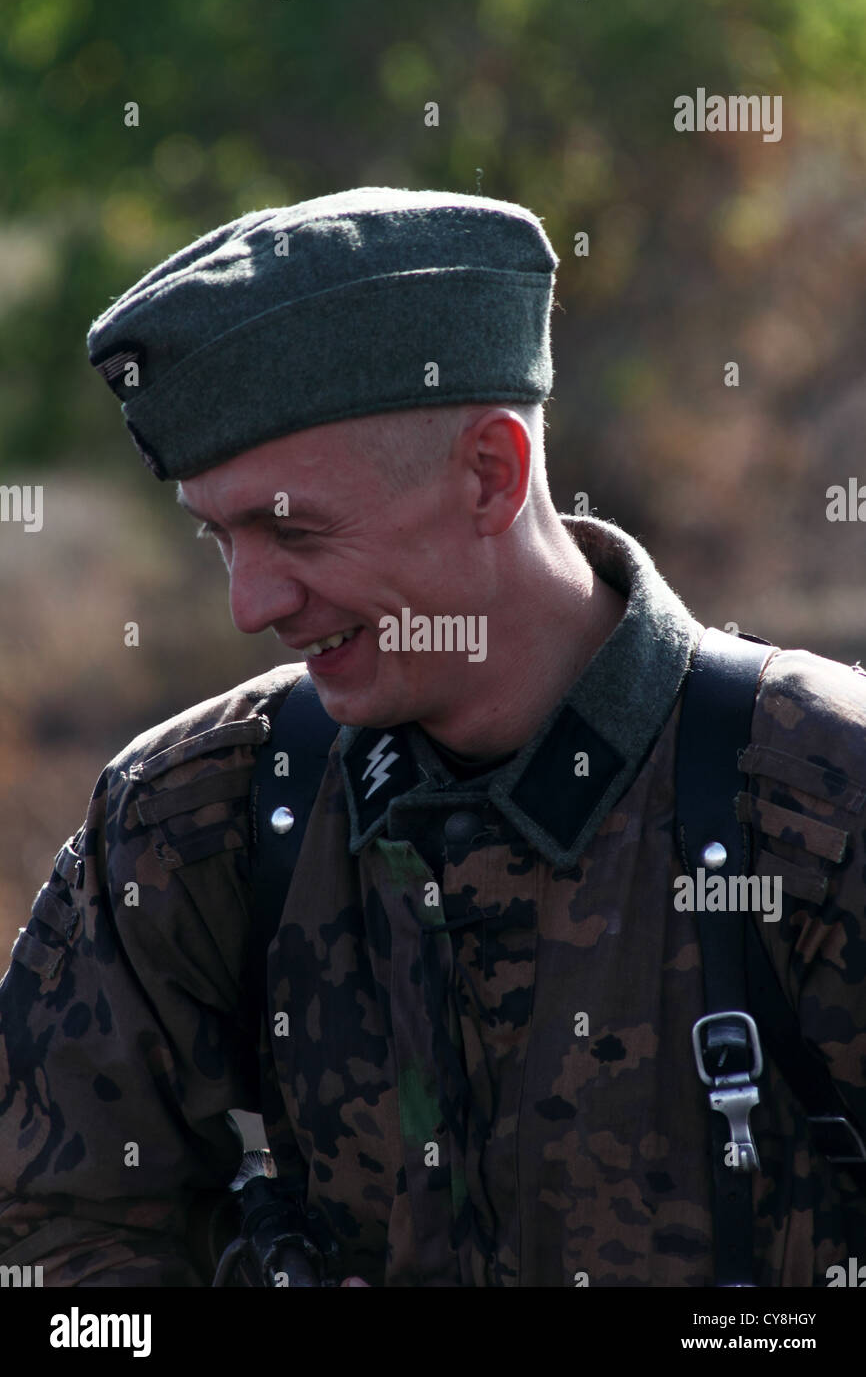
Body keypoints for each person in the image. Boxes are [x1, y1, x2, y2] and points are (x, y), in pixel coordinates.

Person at [1, 187, 864, 1288]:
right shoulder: (190, 821)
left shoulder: (816, 802)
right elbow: (47, 1249)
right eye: (218, 536)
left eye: (291, 527)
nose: (251, 602)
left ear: (489, 474)